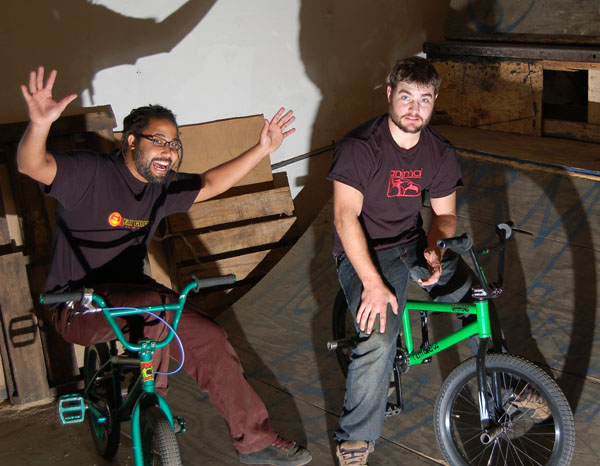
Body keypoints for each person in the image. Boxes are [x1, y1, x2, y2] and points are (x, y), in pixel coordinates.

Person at [17, 66, 312, 466]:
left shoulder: (163, 187)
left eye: (174, 143)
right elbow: (33, 166)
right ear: (131, 141)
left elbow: (209, 184)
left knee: (208, 336)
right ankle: (148, 399)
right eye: (158, 141)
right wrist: (38, 125)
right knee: (156, 309)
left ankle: (255, 442)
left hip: (140, 300)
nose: (169, 151)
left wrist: (263, 149)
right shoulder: (91, 173)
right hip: (76, 303)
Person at [327, 56, 473, 466]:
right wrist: (373, 282)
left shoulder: (439, 152)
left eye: (424, 100)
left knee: (474, 295)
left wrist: (436, 249)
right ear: (390, 94)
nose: (414, 109)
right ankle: (354, 439)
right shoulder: (360, 146)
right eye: (406, 97)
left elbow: (444, 216)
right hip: (365, 251)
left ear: (434, 102)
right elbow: (344, 217)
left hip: (410, 242)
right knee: (377, 333)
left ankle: (506, 381)